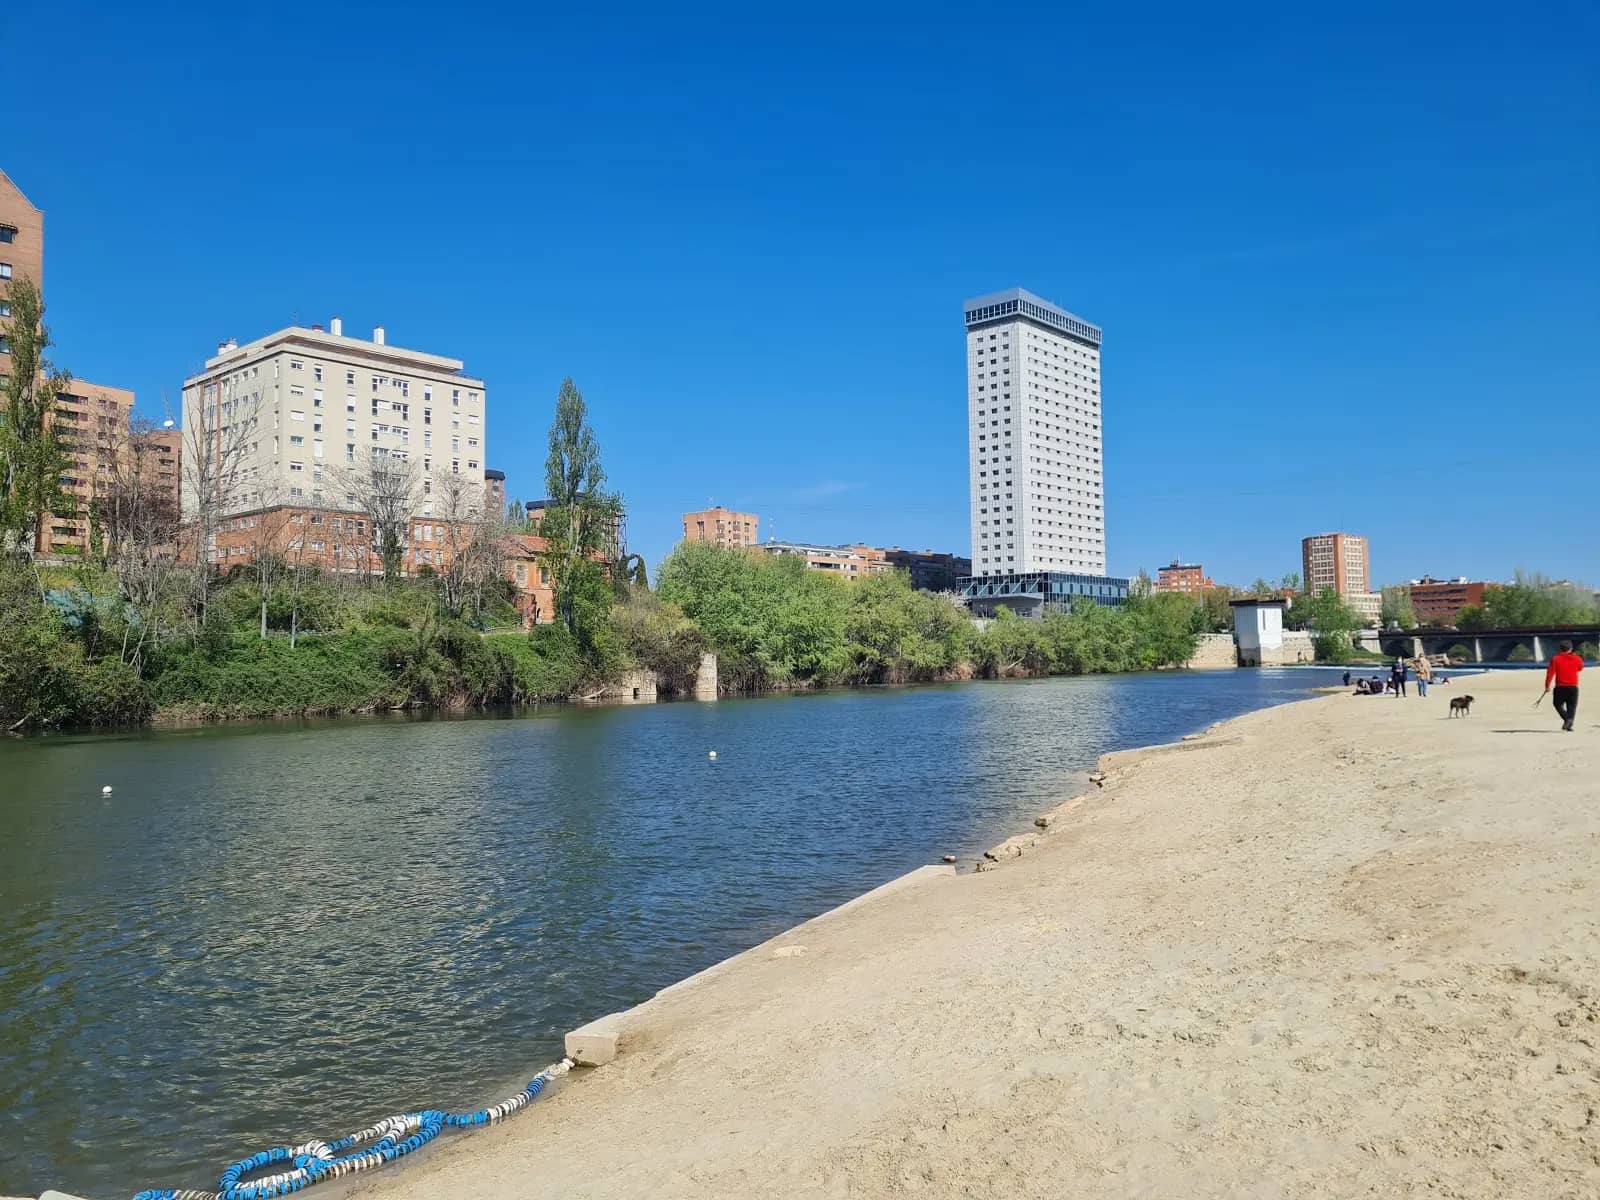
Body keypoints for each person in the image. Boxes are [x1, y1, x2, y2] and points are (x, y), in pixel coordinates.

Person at [1543, 639, 1584, 732]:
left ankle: (1567, 720)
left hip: (1560, 686)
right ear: (1571, 648)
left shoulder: (1555, 659)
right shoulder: (1577, 658)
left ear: (1560, 649)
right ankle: (1569, 722)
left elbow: (1550, 673)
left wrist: (1547, 685)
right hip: (1573, 686)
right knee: (1572, 706)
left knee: (1557, 704)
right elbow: (1580, 668)